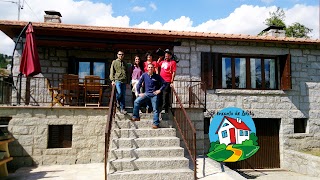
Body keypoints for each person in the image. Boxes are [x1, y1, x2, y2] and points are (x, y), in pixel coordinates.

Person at [131, 63, 166, 129]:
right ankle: (136, 117)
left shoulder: (157, 76)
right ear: (147, 68)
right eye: (149, 67)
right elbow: (139, 84)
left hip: (154, 95)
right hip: (146, 94)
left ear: (153, 69)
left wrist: (160, 90)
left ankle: (155, 124)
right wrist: (139, 93)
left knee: (155, 109)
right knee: (136, 102)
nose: (150, 68)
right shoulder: (144, 75)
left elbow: (164, 83)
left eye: (151, 67)